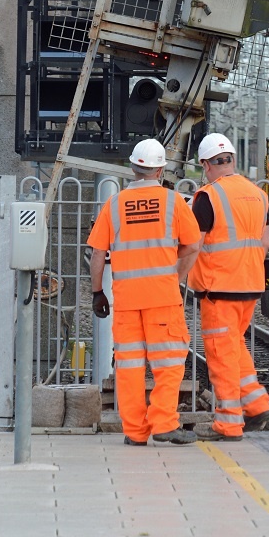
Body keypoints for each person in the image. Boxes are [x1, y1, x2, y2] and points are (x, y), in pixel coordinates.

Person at [88, 138, 201, 446]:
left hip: (126, 300)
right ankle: (164, 424)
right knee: (168, 364)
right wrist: (174, 277)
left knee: (129, 367)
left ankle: (136, 432)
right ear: (160, 169)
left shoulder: (113, 204)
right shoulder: (173, 202)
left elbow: (98, 253)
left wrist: (98, 291)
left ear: (133, 168)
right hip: (162, 299)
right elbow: (193, 246)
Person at [189, 132, 269, 439]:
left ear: (206, 164)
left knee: (221, 354)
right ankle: (257, 405)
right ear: (232, 160)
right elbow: (264, 242)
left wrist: (179, 278)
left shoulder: (208, 196)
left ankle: (228, 423)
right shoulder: (258, 194)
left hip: (219, 288)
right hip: (250, 284)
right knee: (236, 347)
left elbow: (193, 246)